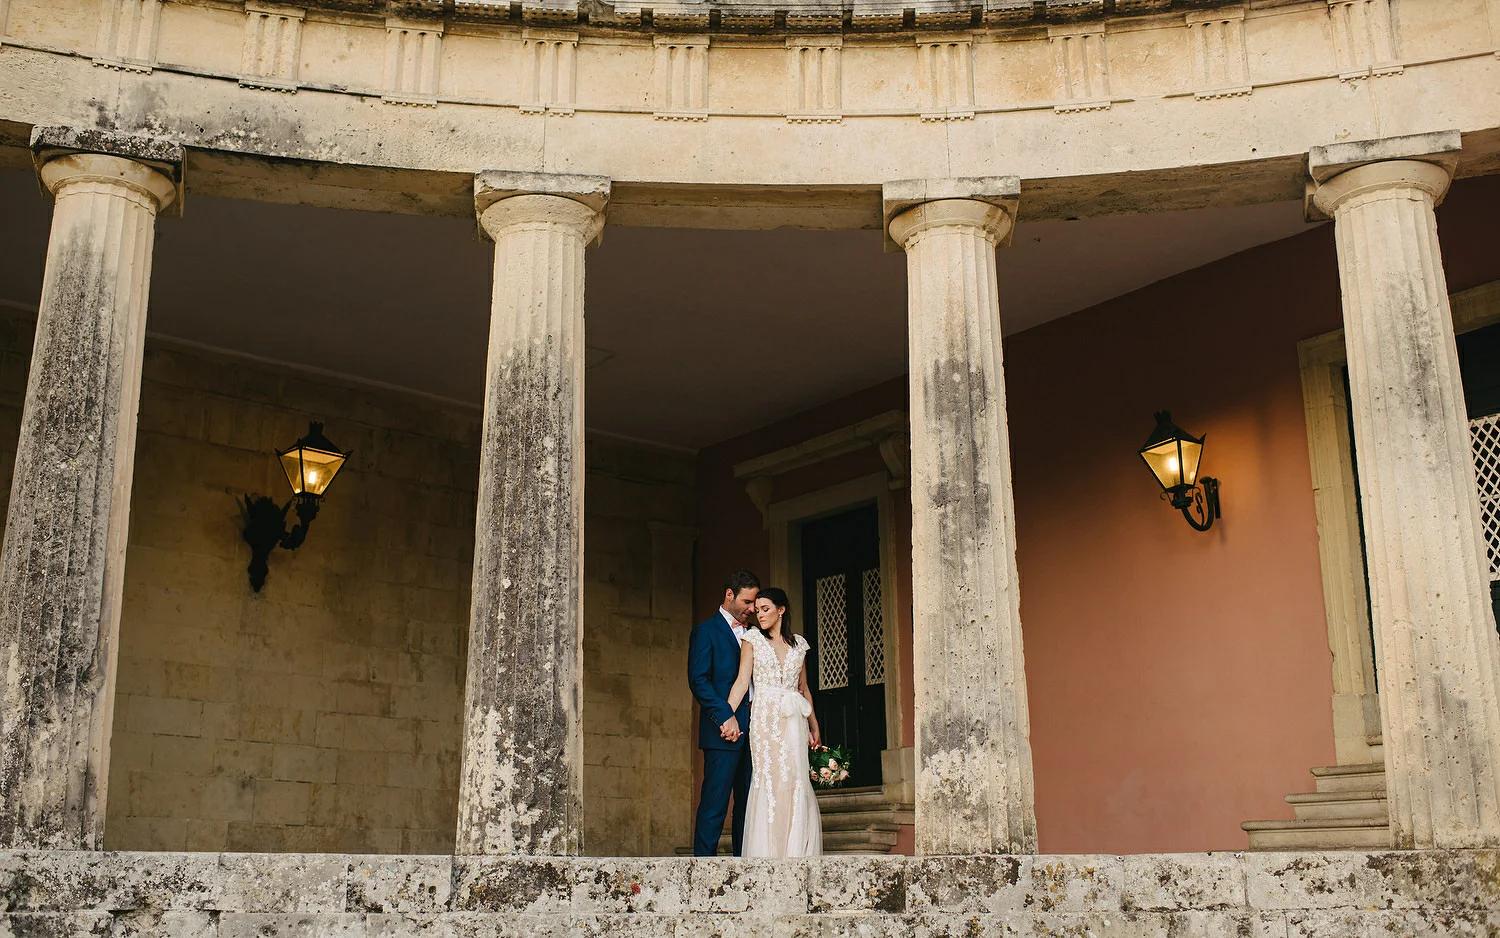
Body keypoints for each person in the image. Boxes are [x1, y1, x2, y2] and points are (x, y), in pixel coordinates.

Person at [725, 586, 823, 858]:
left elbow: (804, 688)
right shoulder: (752, 639)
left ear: (781, 610)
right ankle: (768, 853)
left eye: (765, 609)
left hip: (794, 720)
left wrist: (814, 726)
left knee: (794, 781)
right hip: (765, 719)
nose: (760, 615)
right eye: (757, 611)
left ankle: (794, 851)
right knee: (768, 780)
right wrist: (727, 715)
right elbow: (742, 682)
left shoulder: (799, 645)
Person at [687, 569, 759, 856]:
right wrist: (725, 715)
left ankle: (743, 863)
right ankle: (703, 866)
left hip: (756, 731)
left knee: (748, 805)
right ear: (730, 595)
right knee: (715, 804)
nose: (752, 609)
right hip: (722, 733)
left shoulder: (756, 635)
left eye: (755, 603)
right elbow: (699, 680)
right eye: (747, 602)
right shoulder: (705, 632)